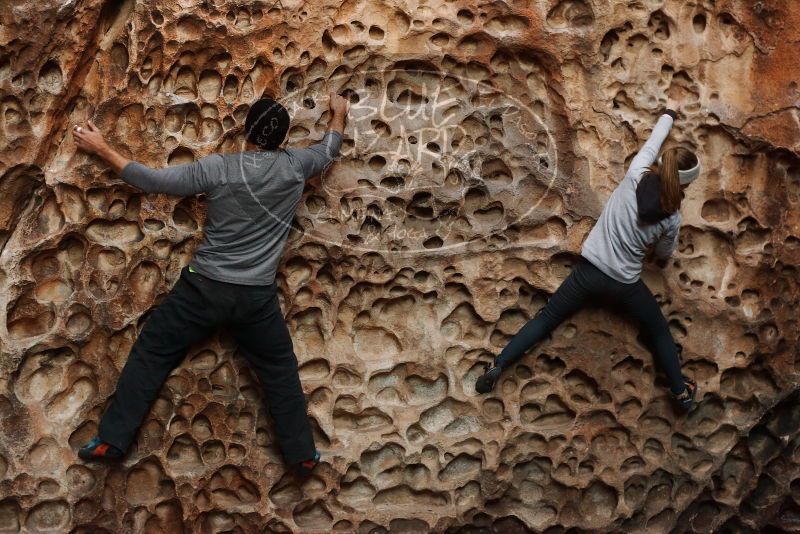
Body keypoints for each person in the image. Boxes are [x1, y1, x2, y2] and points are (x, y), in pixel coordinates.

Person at [71, 91, 350, 475]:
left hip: (204, 290)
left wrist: (102, 148)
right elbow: (330, 148)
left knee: (153, 351)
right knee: (279, 371)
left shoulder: (219, 168)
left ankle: (111, 440)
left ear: (246, 131)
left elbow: (150, 180)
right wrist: (339, 113)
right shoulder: (296, 166)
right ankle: (301, 454)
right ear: (283, 138)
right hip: (256, 297)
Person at [475, 94, 701, 411]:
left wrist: (670, 111)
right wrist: (653, 248)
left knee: (548, 318)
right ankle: (681, 394)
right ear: (686, 185)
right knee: (658, 331)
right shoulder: (672, 218)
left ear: (660, 167)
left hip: (588, 273)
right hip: (625, 284)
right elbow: (664, 254)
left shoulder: (636, 175)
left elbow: (654, 141)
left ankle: (499, 363)